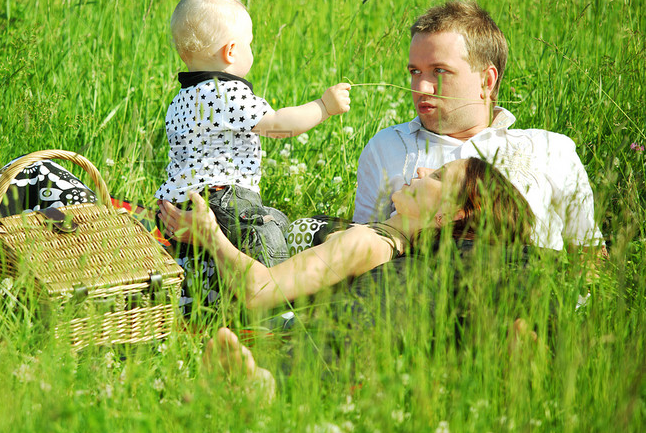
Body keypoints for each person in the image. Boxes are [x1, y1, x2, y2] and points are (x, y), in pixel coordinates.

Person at [160, 157, 535, 396]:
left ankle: (252, 379)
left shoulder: (369, 243)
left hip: (247, 308)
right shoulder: (392, 248)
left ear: (450, 214)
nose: (420, 171)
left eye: (437, 175)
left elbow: (259, 290)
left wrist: (210, 236)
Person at [352, 0, 603, 252]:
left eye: (439, 70)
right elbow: (358, 249)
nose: (421, 88)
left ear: (487, 80)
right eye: (415, 72)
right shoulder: (387, 147)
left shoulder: (550, 149)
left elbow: (590, 256)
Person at [156, 0, 351, 269]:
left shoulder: (181, 99)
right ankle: (273, 295)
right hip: (223, 197)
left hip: (178, 205)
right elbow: (278, 126)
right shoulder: (227, 92)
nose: (252, 50)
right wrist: (324, 107)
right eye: (249, 43)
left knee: (275, 219)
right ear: (232, 51)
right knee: (264, 232)